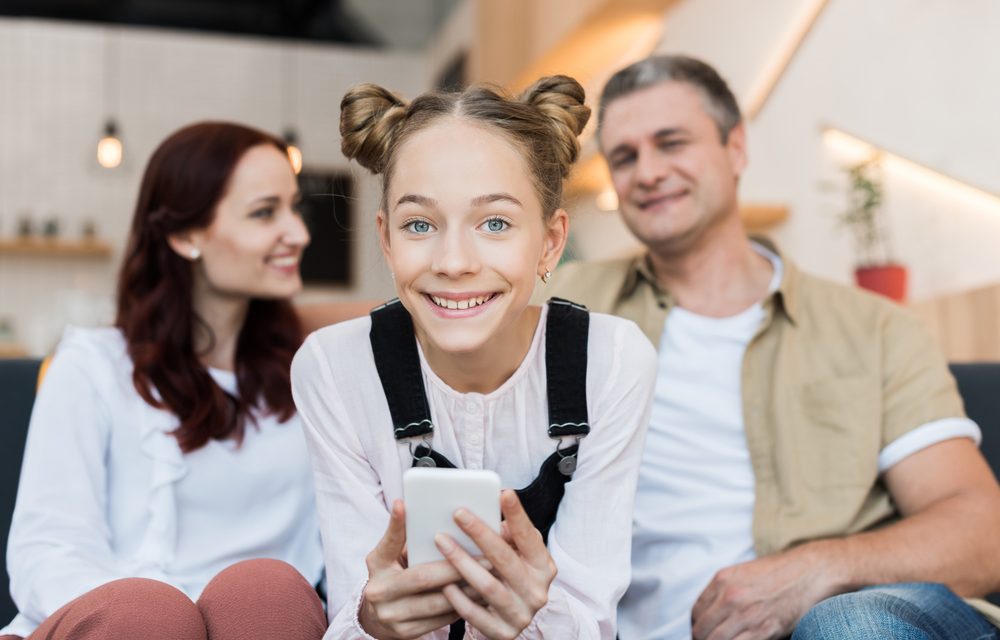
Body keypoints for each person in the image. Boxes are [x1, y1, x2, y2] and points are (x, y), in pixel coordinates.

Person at [544, 54, 1000, 640]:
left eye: (672, 142)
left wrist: (817, 570)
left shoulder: (873, 328)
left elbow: (980, 529)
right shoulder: (563, 306)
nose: (647, 172)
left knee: (851, 625)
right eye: (625, 157)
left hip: (840, 621)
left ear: (736, 148)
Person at [291, 76, 656, 640]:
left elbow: (590, 622)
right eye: (419, 224)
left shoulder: (610, 361)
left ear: (551, 242)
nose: (454, 261)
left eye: (495, 223)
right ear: (386, 241)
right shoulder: (335, 370)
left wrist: (538, 620)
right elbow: (350, 612)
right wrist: (373, 622)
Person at [1, 122, 327, 640]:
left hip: (256, 624)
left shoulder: (313, 370)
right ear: (183, 234)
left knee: (268, 592)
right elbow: (49, 549)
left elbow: (401, 314)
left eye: (295, 208)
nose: (299, 233)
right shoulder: (92, 366)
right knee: (147, 614)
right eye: (265, 213)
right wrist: (174, 622)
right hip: (115, 622)